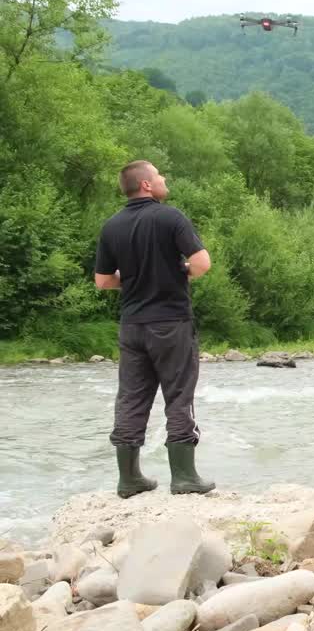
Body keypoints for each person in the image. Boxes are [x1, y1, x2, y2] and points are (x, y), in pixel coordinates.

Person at [94, 160, 216, 498]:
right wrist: (175, 274)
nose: (164, 179)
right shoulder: (170, 217)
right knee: (179, 396)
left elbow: (103, 281)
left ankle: (129, 479)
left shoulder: (111, 226)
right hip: (171, 323)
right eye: (160, 175)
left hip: (132, 325)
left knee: (131, 398)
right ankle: (184, 477)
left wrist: (135, 280)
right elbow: (203, 263)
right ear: (147, 185)